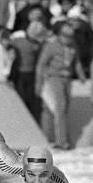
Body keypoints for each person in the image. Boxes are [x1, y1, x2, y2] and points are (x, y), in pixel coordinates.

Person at [35, 21, 86, 150]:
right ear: (59, 35)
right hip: (54, 78)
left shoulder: (73, 46)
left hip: (67, 79)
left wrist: (81, 74)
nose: (68, 39)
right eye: (65, 36)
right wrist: (39, 82)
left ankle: (48, 137)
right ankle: (61, 141)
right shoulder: (51, 46)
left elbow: (77, 61)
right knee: (60, 108)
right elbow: (41, 64)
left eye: (70, 36)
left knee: (52, 108)